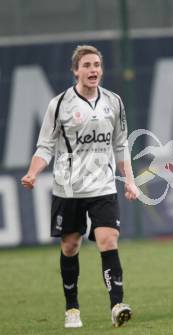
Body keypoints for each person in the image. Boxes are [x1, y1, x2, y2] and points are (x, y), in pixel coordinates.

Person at [21, 45, 139, 328]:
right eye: (86, 65)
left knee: (108, 240)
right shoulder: (59, 104)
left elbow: (121, 143)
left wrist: (130, 181)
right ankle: (72, 308)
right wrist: (33, 172)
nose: (93, 70)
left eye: (97, 64)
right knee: (70, 245)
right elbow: (45, 146)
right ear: (76, 70)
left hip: (103, 186)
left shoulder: (114, 101)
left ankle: (117, 304)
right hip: (68, 188)